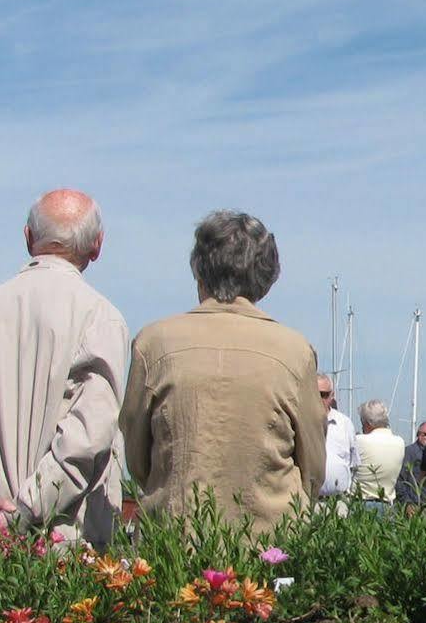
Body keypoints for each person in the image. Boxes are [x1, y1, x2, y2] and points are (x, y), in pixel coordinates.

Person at [0, 189, 131, 543]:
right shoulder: (102, 319)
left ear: (28, 238)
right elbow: (89, 436)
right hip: (61, 555)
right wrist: (27, 509)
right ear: (97, 245)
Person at [120, 210, 324, 531]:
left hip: (174, 542)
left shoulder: (153, 343)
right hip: (269, 544)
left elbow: (136, 456)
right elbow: (312, 464)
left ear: (200, 270)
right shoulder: (295, 351)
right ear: (266, 277)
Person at [349, 399, 406, 507]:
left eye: (362, 422)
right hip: (387, 504)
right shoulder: (400, 442)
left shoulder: (359, 441)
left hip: (360, 503)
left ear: (368, 423)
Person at [318, 378, 354, 499]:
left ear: (332, 396)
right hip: (309, 502)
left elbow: (354, 464)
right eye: (316, 394)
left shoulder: (345, 423)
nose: (320, 399)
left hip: (339, 502)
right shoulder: (301, 423)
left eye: (324, 395)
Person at [396, 421, 426, 511]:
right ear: (419, 435)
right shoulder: (409, 452)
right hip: (414, 505)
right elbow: (400, 480)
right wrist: (407, 503)